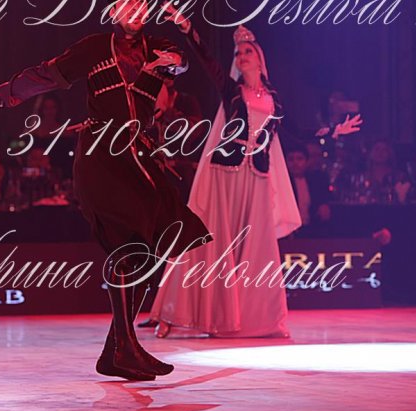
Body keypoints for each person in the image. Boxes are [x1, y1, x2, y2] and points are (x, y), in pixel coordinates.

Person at [0, 0, 210, 380]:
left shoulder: (159, 48)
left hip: (140, 158)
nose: (135, 9)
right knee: (128, 242)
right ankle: (125, 347)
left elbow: (182, 62)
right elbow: (45, 75)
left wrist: (176, 61)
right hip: (101, 158)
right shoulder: (95, 49)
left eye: (140, 1)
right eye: (126, 2)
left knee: (150, 248)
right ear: (112, 11)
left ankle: (119, 350)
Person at [149, 24, 361, 338]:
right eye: (238, 53)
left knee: (257, 248)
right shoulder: (232, 91)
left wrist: (333, 131)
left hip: (258, 175)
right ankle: (177, 312)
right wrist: (189, 30)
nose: (242, 56)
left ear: (260, 59)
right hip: (227, 175)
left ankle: (262, 320)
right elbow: (207, 60)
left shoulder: (274, 99)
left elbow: (298, 132)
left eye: (248, 51)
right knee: (215, 244)